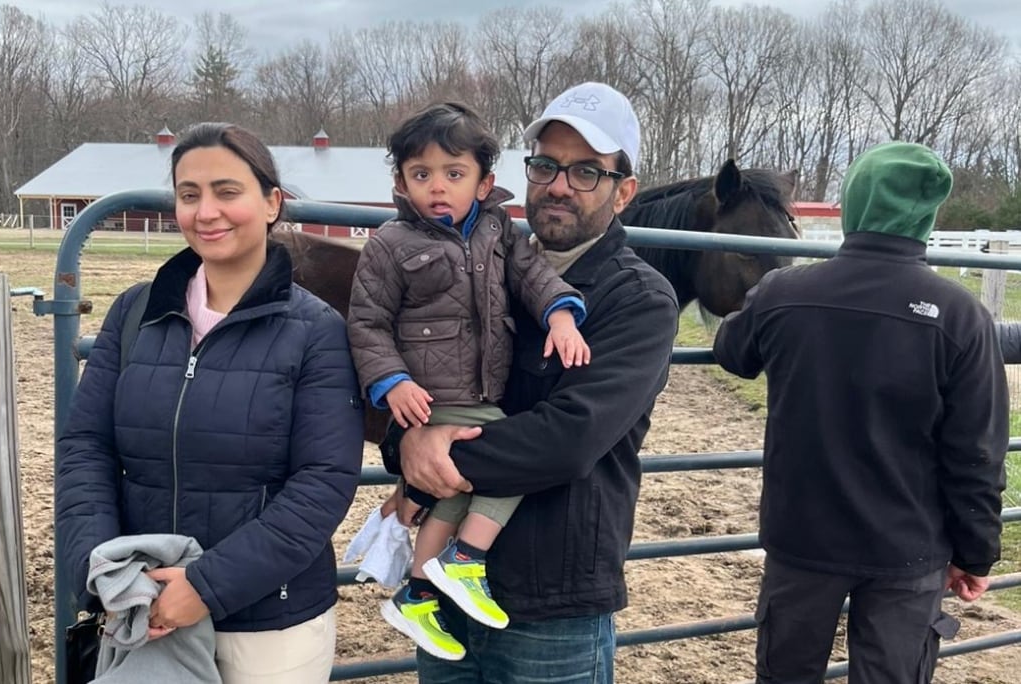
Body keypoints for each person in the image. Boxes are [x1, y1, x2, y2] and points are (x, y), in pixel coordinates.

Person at [380, 82, 679, 681]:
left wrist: (428, 463)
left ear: (624, 193)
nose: (559, 185)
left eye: (586, 172)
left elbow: (569, 437)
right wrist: (405, 444)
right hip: (447, 591)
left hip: (552, 596)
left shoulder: (638, 299)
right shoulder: (480, 266)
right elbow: (420, 378)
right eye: (546, 164)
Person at [55, 122, 364, 683]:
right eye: (189, 194)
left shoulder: (316, 331)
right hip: (143, 611)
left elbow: (322, 481)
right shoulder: (134, 313)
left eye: (227, 191)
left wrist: (206, 586)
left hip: (268, 627)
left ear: (271, 203)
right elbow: (85, 447)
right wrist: (103, 569)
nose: (206, 212)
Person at [713, 141, 1009, 683]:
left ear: (853, 203)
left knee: (785, 672)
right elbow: (978, 450)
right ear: (926, 215)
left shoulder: (784, 292)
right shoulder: (959, 315)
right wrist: (976, 552)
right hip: (908, 547)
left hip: (801, 538)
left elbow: (732, 352)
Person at [348, 100, 592, 660]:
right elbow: (366, 323)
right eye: (421, 174)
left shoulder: (498, 230)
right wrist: (393, 382)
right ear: (401, 182)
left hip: (483, 387)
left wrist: (559, 312)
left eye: (454, 174)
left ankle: (419, 591)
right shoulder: (389, 244)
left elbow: (532, 275)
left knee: (452, 494)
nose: (438, 187)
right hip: (434, 397)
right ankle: (465, 559)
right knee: (516, 461)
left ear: (484, 184)